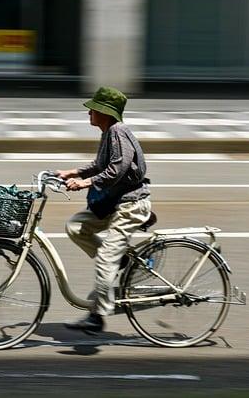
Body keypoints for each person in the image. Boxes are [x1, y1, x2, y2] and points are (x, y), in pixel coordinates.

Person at [56, 86, 151, 333]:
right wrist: (72, 172)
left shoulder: (118, 132)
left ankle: (98, 315)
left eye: (93, 110)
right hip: (114, 203)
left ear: (105, 113)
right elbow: (100, 165)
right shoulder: (108, 132)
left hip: (130, 205)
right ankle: (119, 261)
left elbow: (117, 169)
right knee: (75, 226)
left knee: (105, 258)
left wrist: (85, 183)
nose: (89, 114)